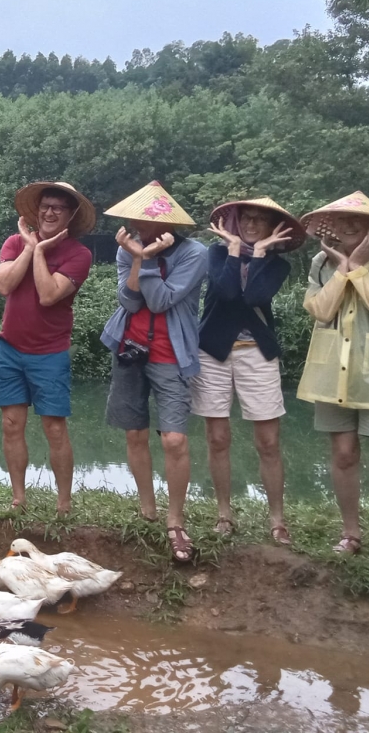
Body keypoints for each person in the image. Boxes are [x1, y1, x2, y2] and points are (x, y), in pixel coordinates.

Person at [100, 181, 207, 563]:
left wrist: (143, 259)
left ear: (169, 223)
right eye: (135, 218)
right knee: (135, 432)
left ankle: (175, 520)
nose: (138, 225)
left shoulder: (195, 253)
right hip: (130, 348)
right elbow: (128, 302)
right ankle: (148, 508)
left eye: (147, 219)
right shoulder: (125, 248)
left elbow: (160, 301)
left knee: (174, 440)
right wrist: (137, 257)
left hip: (170, 353)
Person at [297, 191, 369, 564]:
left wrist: (357, 265)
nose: (348, 226)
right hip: (332, 373)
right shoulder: (321, 263)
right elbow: (320, 310)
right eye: (341, 220)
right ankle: (351, 534)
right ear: (331, 227)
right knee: (343, 454)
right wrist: (342, 268)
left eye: (357, 220)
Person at [195, 198, 305, 543]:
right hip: (213, 350)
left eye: (260, 220)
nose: (252, 224)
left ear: (272, 227)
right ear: (236, 222)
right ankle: (224, 515)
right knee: (217, 438)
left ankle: (277, 520)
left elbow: (256, 295)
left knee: (268, 441)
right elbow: (227, 292)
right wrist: (233, 249)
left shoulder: (277, 265)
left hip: (257, 352)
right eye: (247, 218)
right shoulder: (216, 253)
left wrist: (257, 253)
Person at [0, 182, 95, 515]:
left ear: (70, 215)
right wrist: (29, 247)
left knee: (54, 428)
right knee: (11, 424)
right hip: (10, 348)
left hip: (50, 352)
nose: (49, 212)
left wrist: (39, 253)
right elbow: (3, 285)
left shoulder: (79, 254)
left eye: (58, 208)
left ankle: (63, 503)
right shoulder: (15, 242)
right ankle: (18, 498)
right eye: (45, 206)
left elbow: (49, 294)